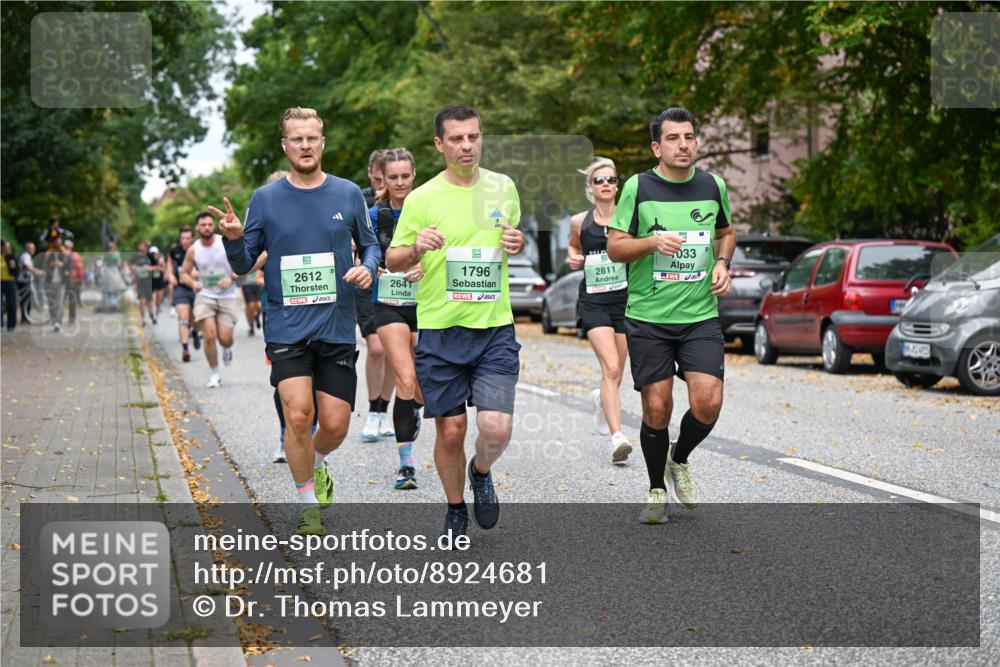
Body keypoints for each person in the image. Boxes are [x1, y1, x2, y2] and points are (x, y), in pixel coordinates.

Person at [216, 107, 378, 536]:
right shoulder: (265, 199)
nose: (305, 145)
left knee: (336, 424)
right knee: (299, 414)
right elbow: (243, 263)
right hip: (286, 326)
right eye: (297, 139)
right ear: (285, 145)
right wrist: (233, 240)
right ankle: (307, 505)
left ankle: (317, 461)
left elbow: (371, 244)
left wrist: (369, 268)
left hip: (336, 325)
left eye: (312, 138)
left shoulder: (347, 193)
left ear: (322, 143)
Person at [387, 104, 525, 539]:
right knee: (450, 431)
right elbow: (393, 259)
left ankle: (480, 471)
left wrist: (517, 242)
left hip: (494, 328)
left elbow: (511, 241)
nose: (467, 145)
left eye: (473, 136)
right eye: (456, 138)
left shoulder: (504, 188)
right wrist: (415, 248)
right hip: (441, 331)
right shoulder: (422, 198)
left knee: (496, 427)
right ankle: (454, 507)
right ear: (439, 144)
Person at [606, 107, 735, 524]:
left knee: (708, 402)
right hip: (649, 317)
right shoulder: (638, 187)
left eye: (689, 137)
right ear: (656, 147)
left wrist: (723, 263)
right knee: (657, 407)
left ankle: (678, 459)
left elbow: (726, 233)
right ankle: (656, 489)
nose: (684, 145)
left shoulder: (713, 185)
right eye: (673, 138)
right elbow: (615, 247)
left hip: (700, 315)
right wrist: (651, 243)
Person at [567, 157, 633, 464]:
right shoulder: (579, 222)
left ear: (617, 186)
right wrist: (573, 257)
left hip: (625, 301)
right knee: (611, 367)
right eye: (599, 180)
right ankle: (617, 437)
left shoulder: (630, 218)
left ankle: (600, 399)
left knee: (617, 371)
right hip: (594, 302)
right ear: (590, 188)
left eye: (611, 180)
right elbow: (573, 246)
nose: (606, 184)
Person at [371, 147, 425, 490]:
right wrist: (370, 266)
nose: (400, 182)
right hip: (388, 302)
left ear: (414, 175)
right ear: (383, 178)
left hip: (426, 302)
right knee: (404, 378)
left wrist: (425, 267)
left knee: (421, 386)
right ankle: (406, 465)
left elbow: (447, 250)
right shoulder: (375, 215)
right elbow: (363, 251)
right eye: (393, 177)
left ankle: (414, 408)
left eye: (405, 176)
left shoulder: (429, 209)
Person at [357, 148, 395, 443]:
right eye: (379, 178)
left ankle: (384, 410)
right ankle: (372, 410)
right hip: (369, 282)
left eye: (389, 178)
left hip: (399, 283)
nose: (384, 183)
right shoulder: (359, 200)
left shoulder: (408, 202)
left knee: (395, 350)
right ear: (371, 173)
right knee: (378, 348)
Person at [181, 214, 238, 388]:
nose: (206, 227)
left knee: (225, 338)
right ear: (197, 228)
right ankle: (215, 374)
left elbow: (242, 265)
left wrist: (231, 278)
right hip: (205, 296)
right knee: (209, 336)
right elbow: (184, 274)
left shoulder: (224, 242)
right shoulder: (194, 249)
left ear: (214, 226)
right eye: (203, 224)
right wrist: (193, 284)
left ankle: (227, 348)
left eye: (209, 224)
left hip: (227, 296)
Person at [167, 225, 199, 362]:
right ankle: (185, 349)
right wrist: (170, 275)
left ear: (192, 238)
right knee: (183, 317)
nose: (185, 241)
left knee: (195, 318)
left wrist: (195, 274)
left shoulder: (199, 249)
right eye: (182, 238)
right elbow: (169, 262)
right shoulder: (175, 250)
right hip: (180, 288)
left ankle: (195, 331)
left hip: (196, 288)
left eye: (187, 238)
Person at [43, 235, 70, 332]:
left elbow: (69, 265)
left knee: (59, 302)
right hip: (49, 281)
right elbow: (43, 266)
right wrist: (50, 264)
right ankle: (54, 320)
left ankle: (58, 321)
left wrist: (62, 264)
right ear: (53, 243)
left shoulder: (64, 253)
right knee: (51, 303)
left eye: (60, 242)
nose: (59, 244)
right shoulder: (48, 253)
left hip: (61, 282)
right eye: (57, 242)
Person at [129, 240, 156, 325]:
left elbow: (158, 267)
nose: (141, 247)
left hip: (150, 281)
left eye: (143, 245)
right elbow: (131, 268)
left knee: (150, 301)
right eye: (140, 245)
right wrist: (134, 268)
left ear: (146, 247)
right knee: (142, 301)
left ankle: (151, 314)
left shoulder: (151, 255)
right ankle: (143, 319)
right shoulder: (135, 257)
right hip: (140, 281)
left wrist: (149, 268)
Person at [17, 241, 43, 322]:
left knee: (26, 300)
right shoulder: (26, 256)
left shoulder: (26, 256)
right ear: (28, 249)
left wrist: (36, 271)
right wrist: (37, 271)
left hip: (24, 280)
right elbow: (27, 266)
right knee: (25, 300)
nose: (34, 250)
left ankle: (25, 317)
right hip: (24, 281)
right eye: (32, 249)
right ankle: (25, 318)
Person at [63, 239, 85, 325]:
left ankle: (57, 318)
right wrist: (81, 278)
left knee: (60, 299)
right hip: (73, 279)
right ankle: (72, 319)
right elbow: (79, 267)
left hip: (61, 279)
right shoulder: (75, 255)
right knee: (72, 299)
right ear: (71, 247)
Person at [240, 266, 263, 337]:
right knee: (250, 306)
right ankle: (251, 326)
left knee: (259, 306)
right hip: (246, 284)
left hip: (257, 284)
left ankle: (256, 317)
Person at [1, 240, 18, 332]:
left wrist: (13, 267)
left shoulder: (11, 257)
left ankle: (11, 324)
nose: (7, 248)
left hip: (10, 282)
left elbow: (16, 271)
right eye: (6, 246)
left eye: (9, 247)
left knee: (11, 303)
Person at [148, 246, 167, 318]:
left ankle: (157, 307)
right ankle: (153, 312)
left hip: (159, 280)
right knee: (153, 297)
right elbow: (147, 268)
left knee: (159, 297)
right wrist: (157, 268)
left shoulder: (161, 259)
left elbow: (163, 269)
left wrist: (159, 266)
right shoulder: (148, 260)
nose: (155, 255)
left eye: (156, 253)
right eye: (154, 254)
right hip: (151, 280)